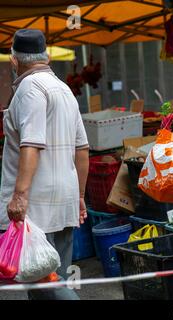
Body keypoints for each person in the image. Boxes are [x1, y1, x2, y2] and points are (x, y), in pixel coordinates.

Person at [0, 29, 89, 299]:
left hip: (36, 204)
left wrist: (19, 196)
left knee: (45, 283)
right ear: (46, 57)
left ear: (14, 61)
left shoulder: (29, 89)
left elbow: (32, 144)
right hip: (64, 197)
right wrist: (81, 196)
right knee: (50, 277)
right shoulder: (63, 89)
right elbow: (82, 148)